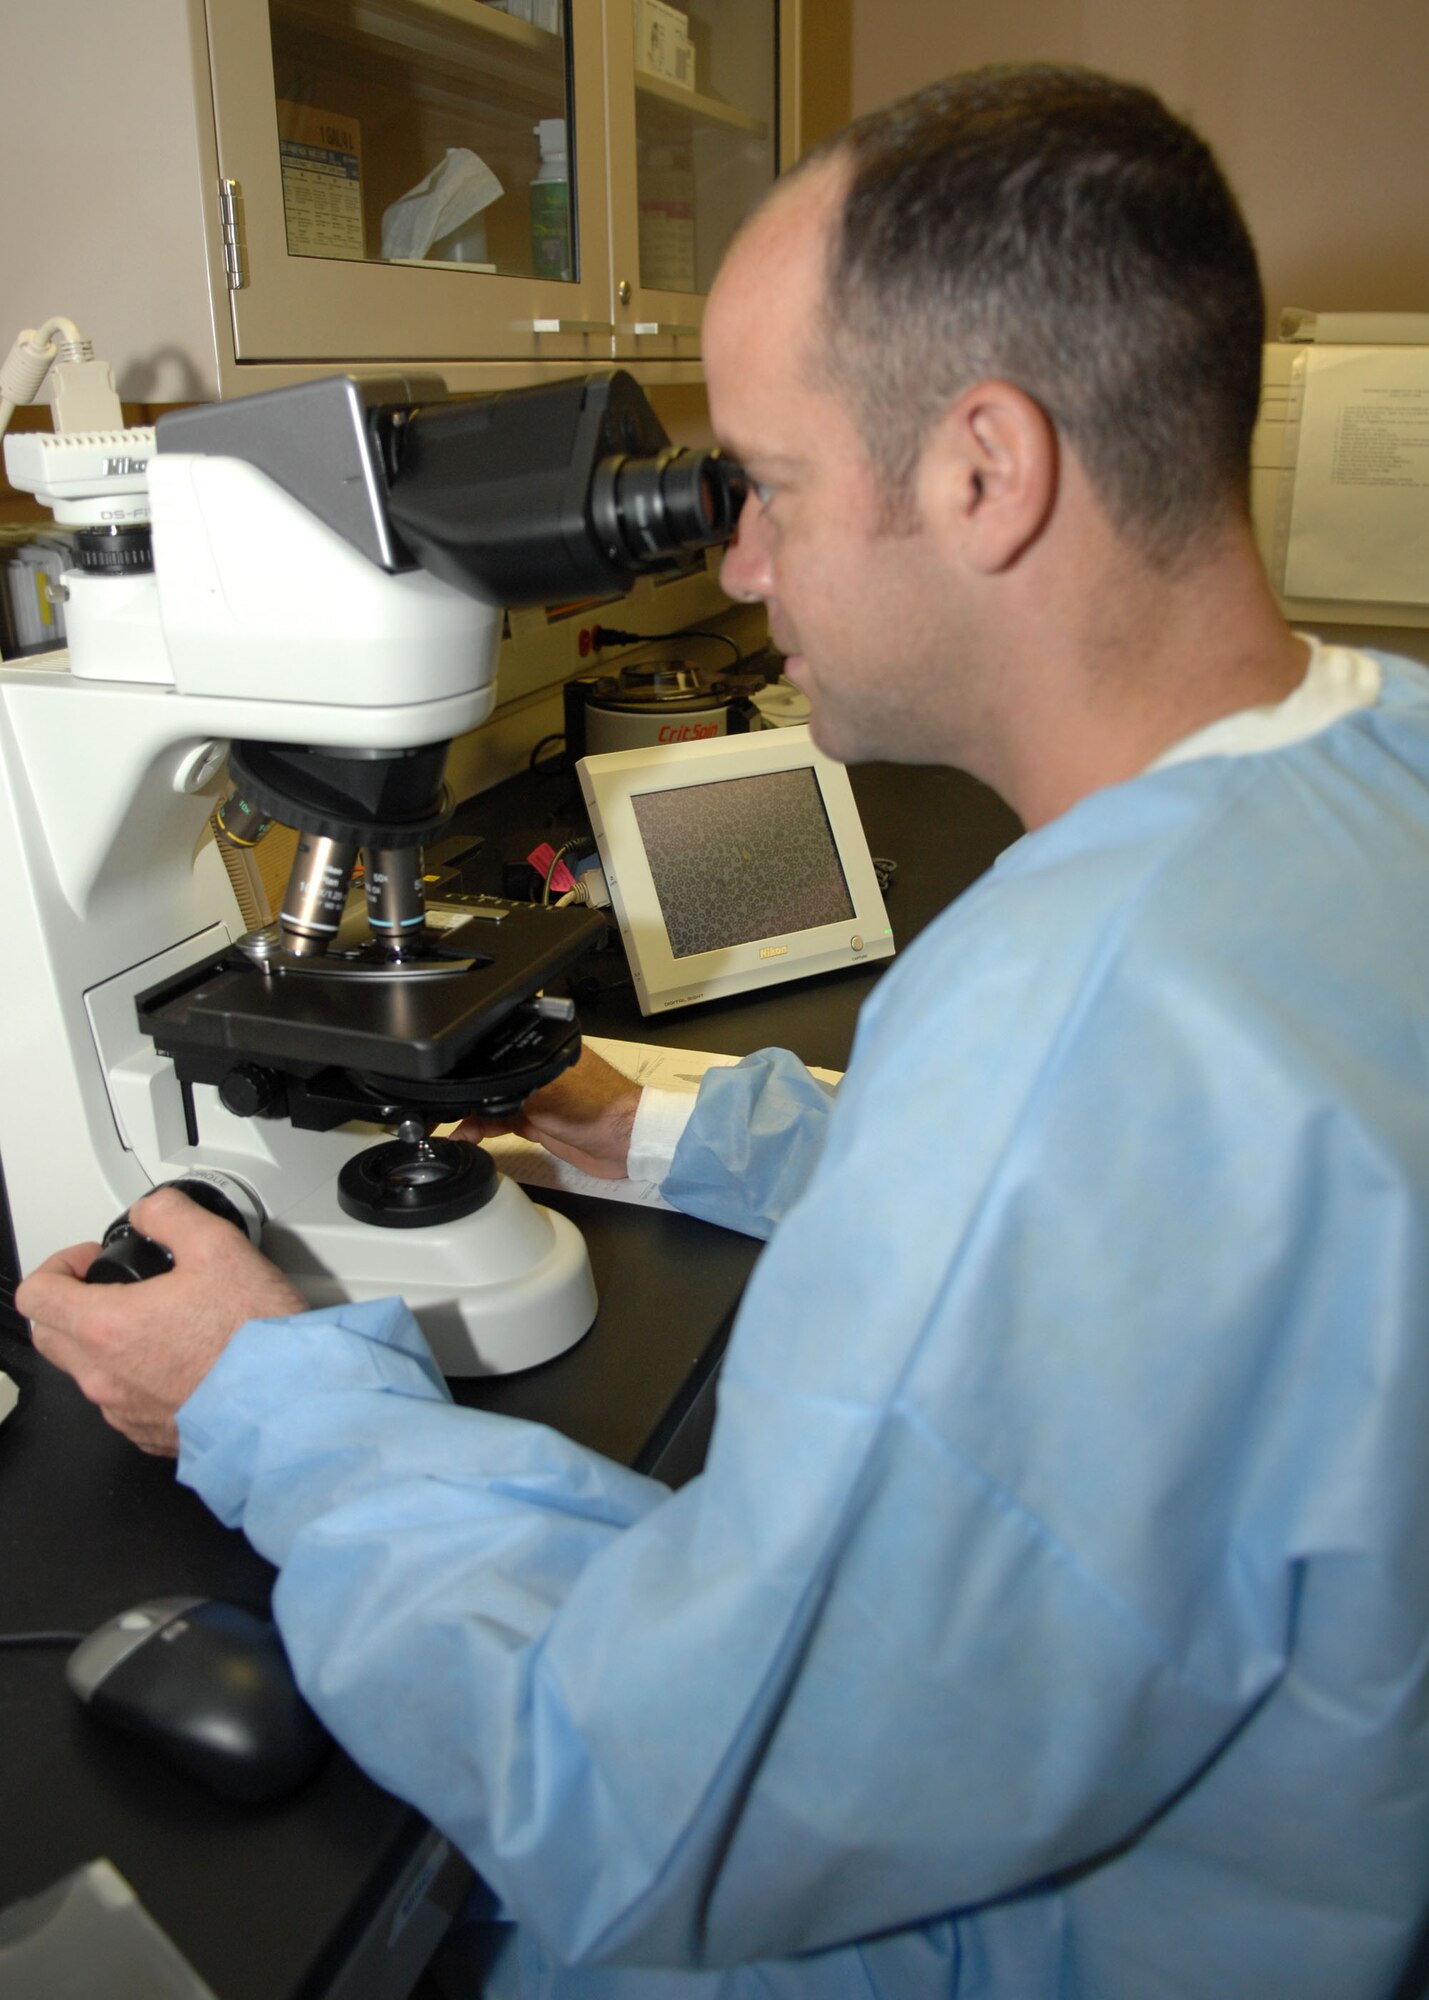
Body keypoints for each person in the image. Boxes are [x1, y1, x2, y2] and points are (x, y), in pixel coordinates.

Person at [19, 62, 1429, 1999]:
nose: (736, 560)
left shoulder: (1071, 1024)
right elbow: (1179, 1227)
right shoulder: (1373, 763)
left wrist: (260, 1401)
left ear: (984, 470)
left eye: (764, 484)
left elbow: (641, 1797)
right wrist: (668, 1130)